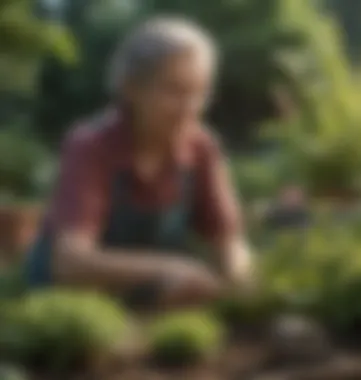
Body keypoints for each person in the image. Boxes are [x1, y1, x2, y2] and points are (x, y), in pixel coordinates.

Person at [25, 17, 254, 310]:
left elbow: (229, 242)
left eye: (199, 92)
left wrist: (240, 281)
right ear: (131, 88)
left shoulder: (201, 148)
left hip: (142, 298)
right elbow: (71, 262)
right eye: (174, 91)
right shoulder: (90, 146)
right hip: (69, 300)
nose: (190, 107)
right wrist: (173, 268)